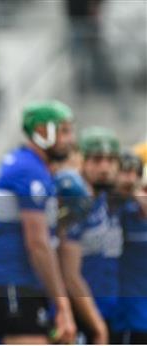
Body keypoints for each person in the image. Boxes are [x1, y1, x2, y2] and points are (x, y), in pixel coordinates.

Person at [0, 101, 76, 344]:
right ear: (43, 132)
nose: (70, 139)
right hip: (16, 281)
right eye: (64, 131)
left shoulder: (27, 164)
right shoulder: (30, 171)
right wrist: (62, 304)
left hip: (22, 281)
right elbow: (37, 244)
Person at [58, 127, 122, 344]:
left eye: (110, 160)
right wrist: (97, 326)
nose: (104, 167)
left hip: (106, 309)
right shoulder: (76, 202)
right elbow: (70, 275)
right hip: (79, 316)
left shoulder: (104, 196)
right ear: (81, 161)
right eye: (96, 160)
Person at [113, 148, 147, 343]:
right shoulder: (114, 210)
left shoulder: (137, 212)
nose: (130, 178)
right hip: (124, 317)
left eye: (136, 174)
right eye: (125, 171)